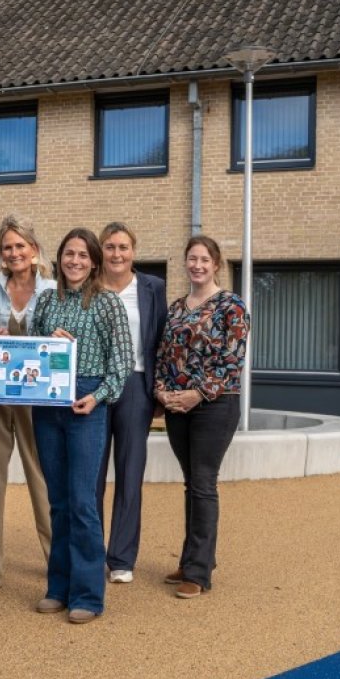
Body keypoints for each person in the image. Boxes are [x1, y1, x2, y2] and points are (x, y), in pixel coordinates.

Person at [29, 228, 133, 624]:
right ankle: (59, 586)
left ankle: (88, 594)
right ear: (60, 258)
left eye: (82, 255)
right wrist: (47, 342)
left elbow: (122, 361)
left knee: (83, 501)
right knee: (58, 500)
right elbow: (33, 351)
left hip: (87, 400)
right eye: (68, 253)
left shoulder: (107, 303)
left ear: (94, 261)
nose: (74, 261)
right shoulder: (46, 300)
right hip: (49, 403)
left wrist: (99, 396)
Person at [155, 235, 248, 599]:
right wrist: (162, 392)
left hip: (214, 405)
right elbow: (163, 355)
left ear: (216, 264)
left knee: (204, 484)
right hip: (178, 407)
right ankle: (194, 558)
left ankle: (198, 572)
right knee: (191, 481)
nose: (197, 265)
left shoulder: (231, 306)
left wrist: (198, 393)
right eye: (191, 258)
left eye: (204, 259)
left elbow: (232, 358)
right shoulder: (177, 307)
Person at [0, 214, 54, 594]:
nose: (14, 252)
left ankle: (60, 561)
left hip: (40, 398)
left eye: (21, 246)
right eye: (8, 247)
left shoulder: (55, 290)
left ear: (34, 250)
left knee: (46, 479)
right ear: (1, 255)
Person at [96, 222, 167, 584]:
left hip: (136, 385)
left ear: (133, 251)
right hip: (94, 386)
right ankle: (91, 553)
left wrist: (159, 393)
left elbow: (161, 341)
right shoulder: (89, 287)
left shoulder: (153, 288)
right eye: (109, 247)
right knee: (90, 474)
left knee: (129, 472)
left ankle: (121, 558)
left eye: (123, 247)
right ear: (101, 251)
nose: (116, 254)